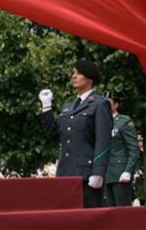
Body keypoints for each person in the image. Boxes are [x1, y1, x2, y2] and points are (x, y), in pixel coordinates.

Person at [40, 60, 113, 208]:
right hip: (65, 173)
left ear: (89, 78)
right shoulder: (69, 107)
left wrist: (98, 172)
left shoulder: (99, 104)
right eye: (73, 73)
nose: (74, 76)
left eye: (78, 73)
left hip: (86, 174)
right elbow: (52, 133)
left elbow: (103, 141)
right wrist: (47, 107)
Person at [104, 90, 140, 206]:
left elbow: (133, 148)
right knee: (108, 213)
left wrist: (128, 170)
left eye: (108, 103)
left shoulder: (123, 121)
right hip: (104, 173)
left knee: (122, 211)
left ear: (116, 104)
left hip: (119, 172)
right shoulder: (100, 122)